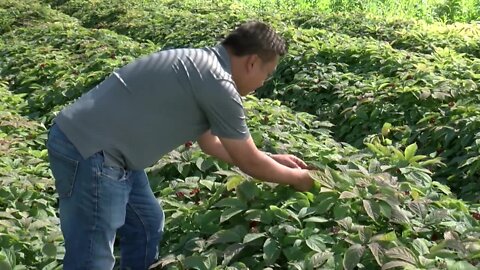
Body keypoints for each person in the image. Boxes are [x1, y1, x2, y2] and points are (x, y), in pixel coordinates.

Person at [46, 21, 314, 270]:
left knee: (146, 224)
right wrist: (300, 178)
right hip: (91, 151)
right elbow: (249, 162)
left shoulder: (202, 65)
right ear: (253, 62)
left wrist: (273, 159)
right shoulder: (218, 82)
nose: (263, 83)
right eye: (267, 74)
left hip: (110, 150)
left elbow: (212, 144)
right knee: (92, 256)